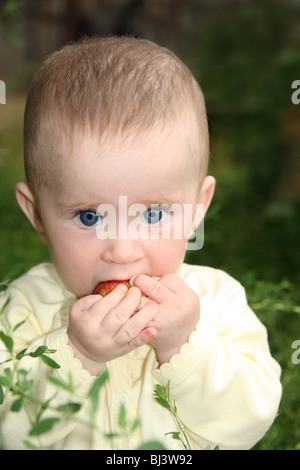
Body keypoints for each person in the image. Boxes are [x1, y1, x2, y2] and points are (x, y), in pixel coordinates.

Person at [0, 36, 281, 450]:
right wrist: (76, 355)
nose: (122, 251)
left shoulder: (218, 302)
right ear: (38, 214)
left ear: (197, 208)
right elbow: (9, 428)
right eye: (89, 216)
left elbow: (248, 421)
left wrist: (186, 345)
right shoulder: (20, 309)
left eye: (153, 215)